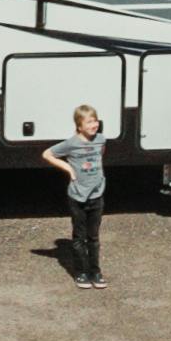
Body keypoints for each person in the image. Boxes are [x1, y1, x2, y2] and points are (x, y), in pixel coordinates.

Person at [42, 103, 110, 289]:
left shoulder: (101, 139)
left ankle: (95, 272)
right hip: (78, 197)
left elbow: (100, 155)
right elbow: (47, 154)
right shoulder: (72, 143)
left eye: (95, 120)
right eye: (88, 122)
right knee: (79, 237)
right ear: (79, 126)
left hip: (97, 195)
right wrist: (69, 168)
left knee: (94, 237)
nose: (93, 125)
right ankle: (81, 272)